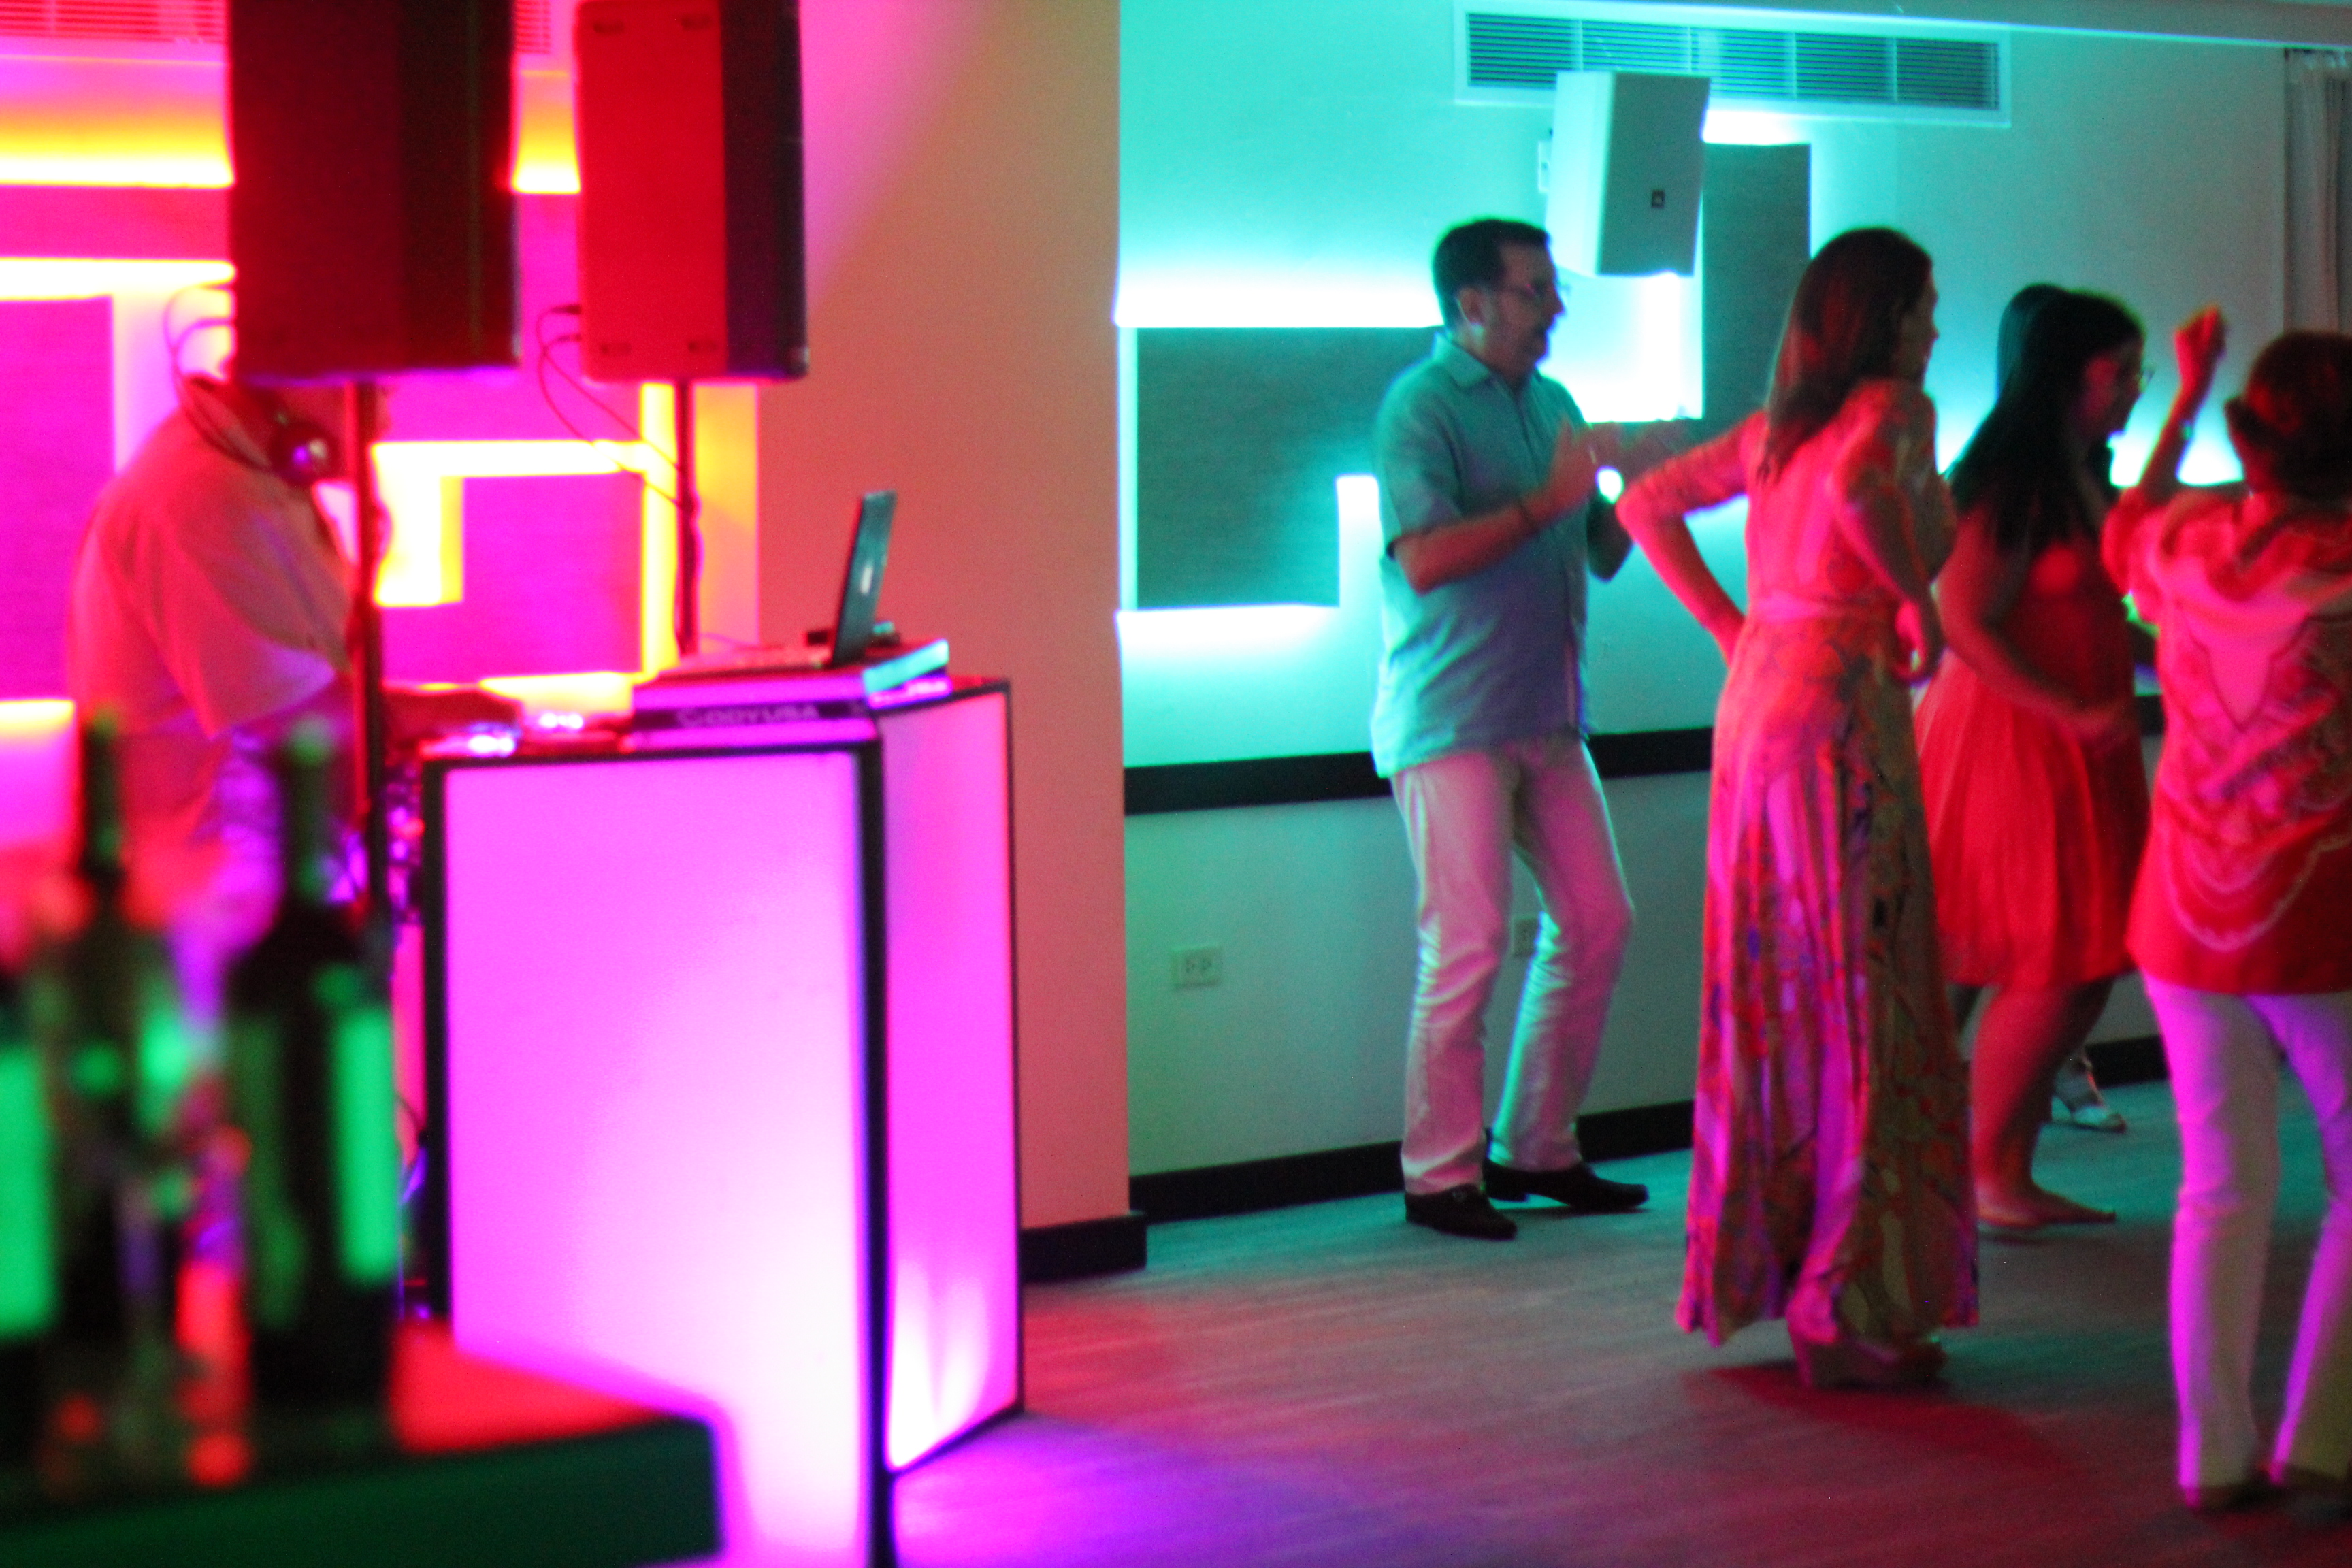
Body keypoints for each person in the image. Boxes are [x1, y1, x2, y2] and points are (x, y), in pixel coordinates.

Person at [1616, 227, 1974, 1387]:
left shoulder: (1778, 430)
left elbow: (1644, 504)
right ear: (1884, 317)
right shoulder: (1892, 410)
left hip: (1758, 700)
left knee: (1774, 981)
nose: (1935, 325)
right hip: (1840, 705)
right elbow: (1868, 495)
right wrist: (1916, 598)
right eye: (1924, 305)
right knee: (1862, 990)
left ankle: (1773, 1266)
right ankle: (1846, 1297)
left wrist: (1732, 626)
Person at [1371, 217, 1675, 1241]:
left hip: (1547, 713)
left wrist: (1639, 485)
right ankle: (1439, 1175)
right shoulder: (1419, 406)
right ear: (1472, 303)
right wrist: (1551, 500)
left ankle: (1538, 1146)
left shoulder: (1554, 404)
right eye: (1534, 290)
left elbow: (1600, 553)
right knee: (1465, 944)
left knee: (1598, 920)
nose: (1555, 308)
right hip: (1451, 717)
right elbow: (1423, 559)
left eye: (1553, 290)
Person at [2104, 322, 2352, 1509]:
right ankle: (2326, 1434)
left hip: (2187, 912)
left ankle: (2213, 1451)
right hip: (2318, 917)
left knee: (2219, 1186)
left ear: (2251, 438)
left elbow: (2121, 528)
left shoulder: (2187, 541)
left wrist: (2185, 396)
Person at [65, 370, 508, 1007]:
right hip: (216, 930)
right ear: (309, 365)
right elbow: (293, 718)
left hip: (247, 911)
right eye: (377, 388)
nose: (388, 411)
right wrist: (467, 716)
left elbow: (310, 685)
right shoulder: (205, 495)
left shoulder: (253, 479)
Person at [1915, 289, 2180, 1229]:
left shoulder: (2077, 474)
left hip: (2075, 740)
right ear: (2071, 375)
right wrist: (2064, 709)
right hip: (2017, 746)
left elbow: (2097, 609)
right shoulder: (2010, 481)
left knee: (2081, 956)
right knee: (2052, 958)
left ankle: (2002, 1169)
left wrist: (2178, 659)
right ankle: (1990, 1173)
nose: (2136, 388)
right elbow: (1964, 618)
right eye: (2123, 371)